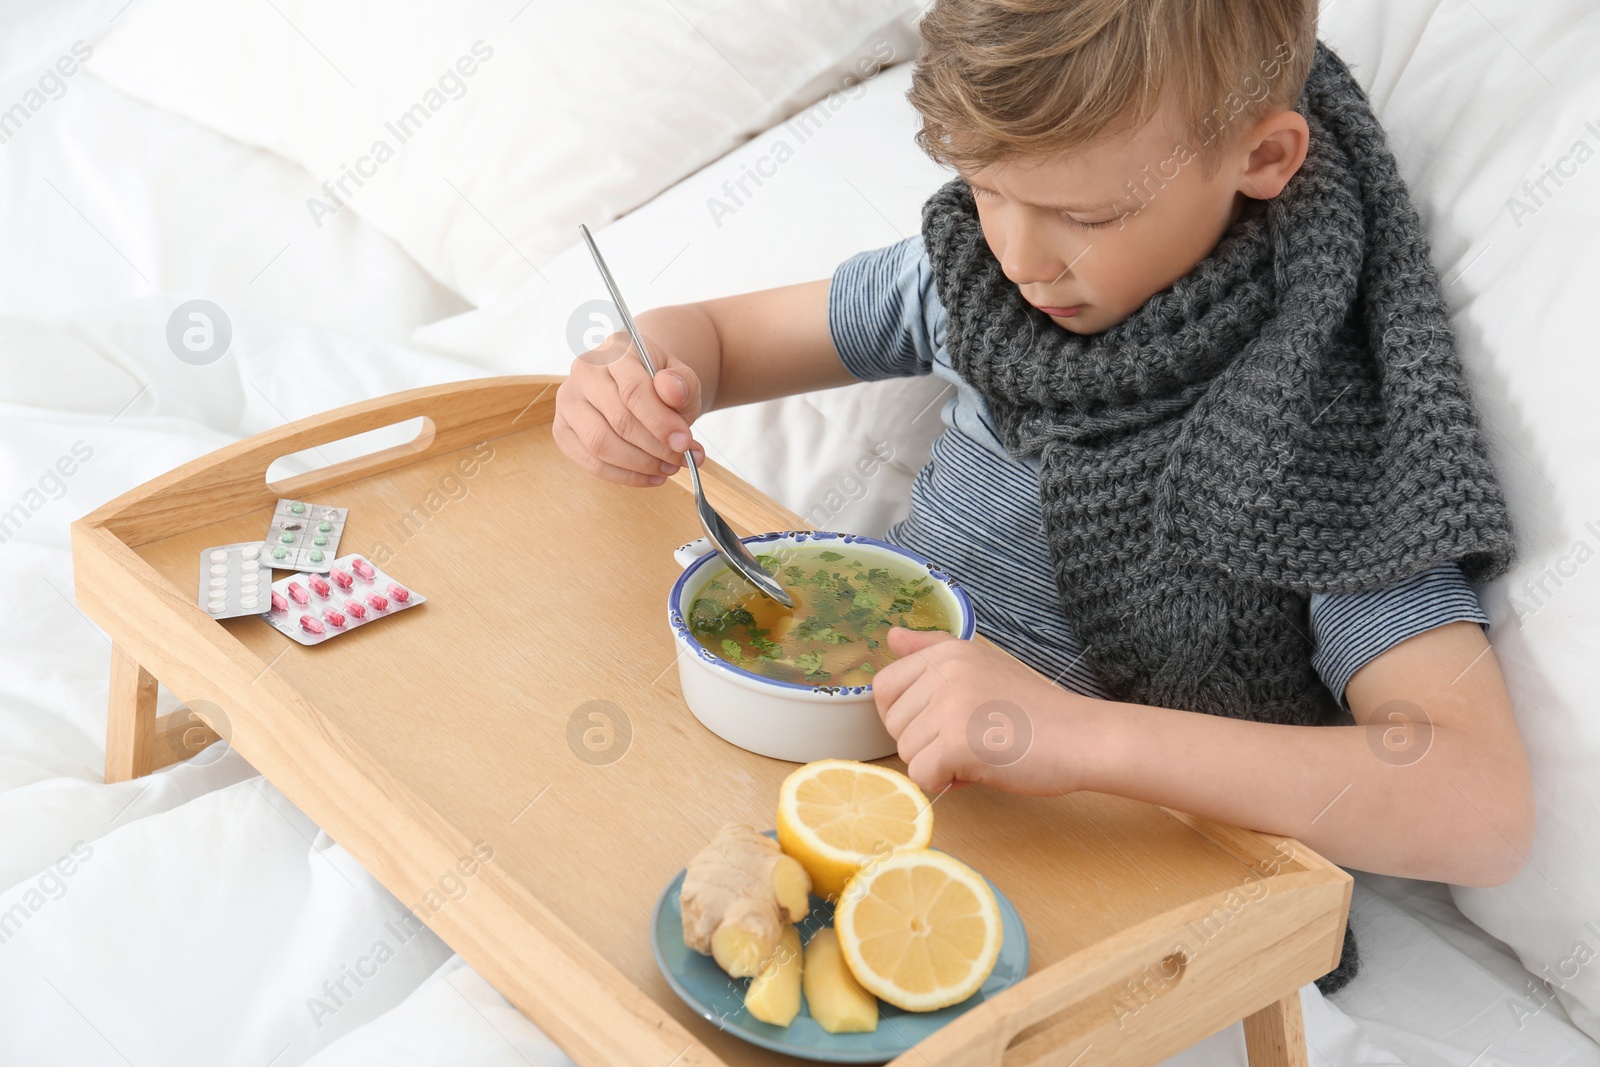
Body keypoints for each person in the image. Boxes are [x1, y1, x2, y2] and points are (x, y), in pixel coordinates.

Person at [553, 0, 1534, 996]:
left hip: (1073, 905)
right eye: (982, 187)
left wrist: (1072, 733)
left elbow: (1478, 804)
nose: (1022, 257)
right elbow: (719, 340)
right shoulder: (976, 280)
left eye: (1087, 216)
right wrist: (645, 378)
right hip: (840, 790)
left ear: (1265, 157)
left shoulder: (1319, 436)